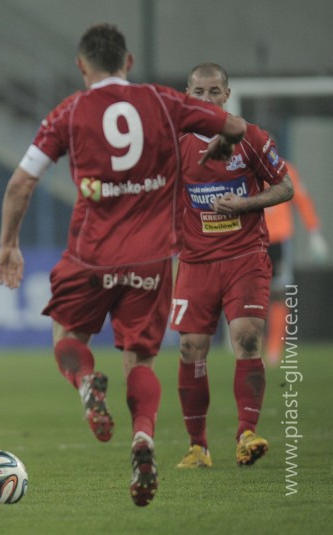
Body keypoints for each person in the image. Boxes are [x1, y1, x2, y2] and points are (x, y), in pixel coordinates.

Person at [0, 24, 246, 507]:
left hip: (91, 255)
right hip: (151, 259)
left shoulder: (69, 112)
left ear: (81, 66)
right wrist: (223, 143)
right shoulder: (163, 101)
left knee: (67, 336)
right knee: (140, 360)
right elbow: (233, 126)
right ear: (128, 62)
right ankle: (143, 438)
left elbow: (21, 184)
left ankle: (87, 383)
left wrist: (8, 244)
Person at [171, 63, 293, 470]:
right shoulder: (176, 142)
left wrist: (245, 203)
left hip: (245, 257)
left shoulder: (251, 138)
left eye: (214, 91)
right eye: (199, 92)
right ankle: (198, 448)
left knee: (246, 336)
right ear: (188, 95)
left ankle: (246, 434)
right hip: (196, 261)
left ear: (226, 95)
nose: (206, 99)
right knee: (191, 348)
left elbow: (286, 187)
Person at [265, 163, 328, 364]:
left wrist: (314, 231)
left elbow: (302, 200)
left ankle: (274, 348)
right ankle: (250, 345)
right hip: (253, 239)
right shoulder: (246, 167)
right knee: (250, 293)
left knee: (278, 292)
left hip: (279, 239)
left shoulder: (286, 170)